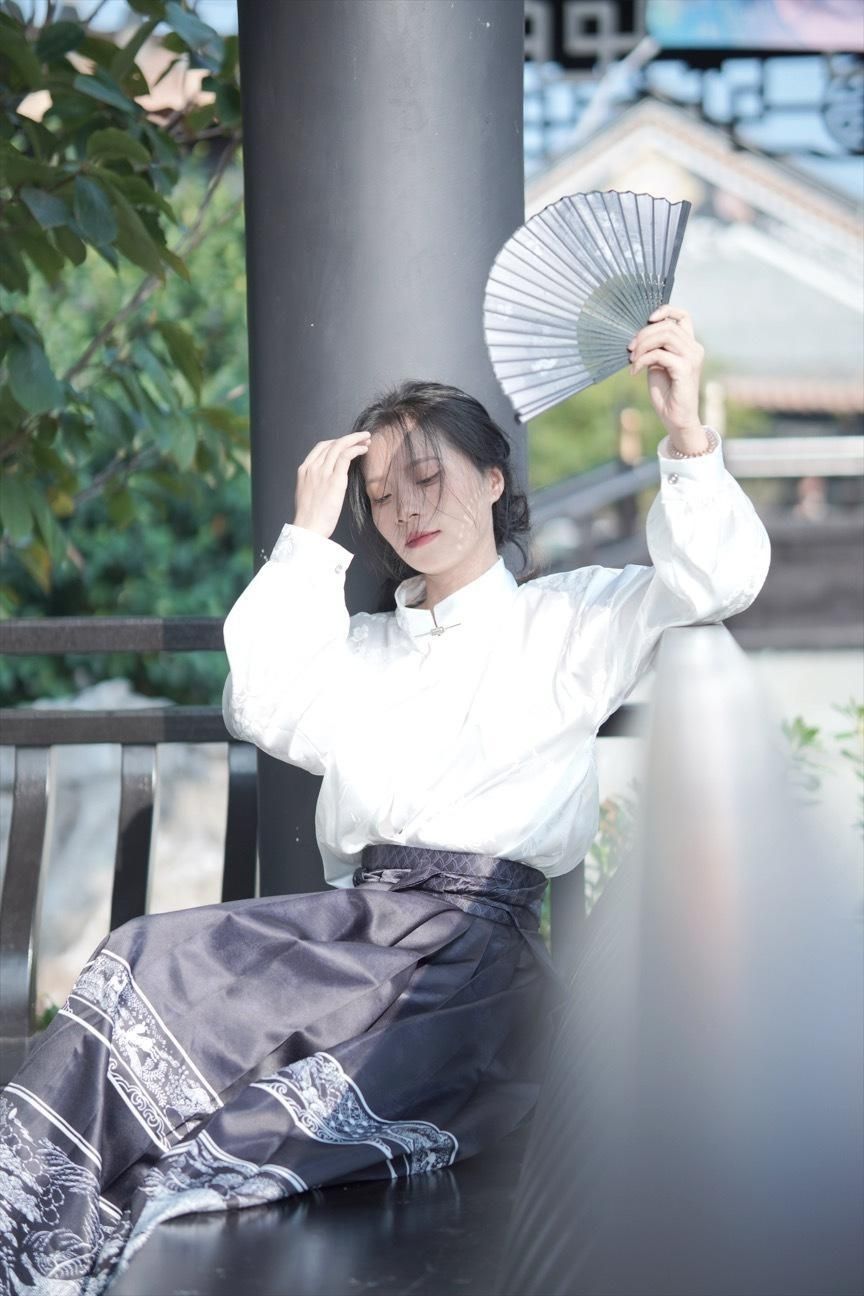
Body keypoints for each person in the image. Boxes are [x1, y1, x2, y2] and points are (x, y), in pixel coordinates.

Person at [0, 306, 771, 1294]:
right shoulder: (360, 650)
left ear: (493, 480)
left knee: (228, 1144)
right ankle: (32, 1234)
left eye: (429, 477)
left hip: (467, 959)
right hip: (346, 935)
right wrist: (307, 538)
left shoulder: (571, 619)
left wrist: (686, 428)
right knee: (141, 955)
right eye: (379, 494)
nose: (407, 508)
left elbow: (719, 582)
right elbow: (259, 701)